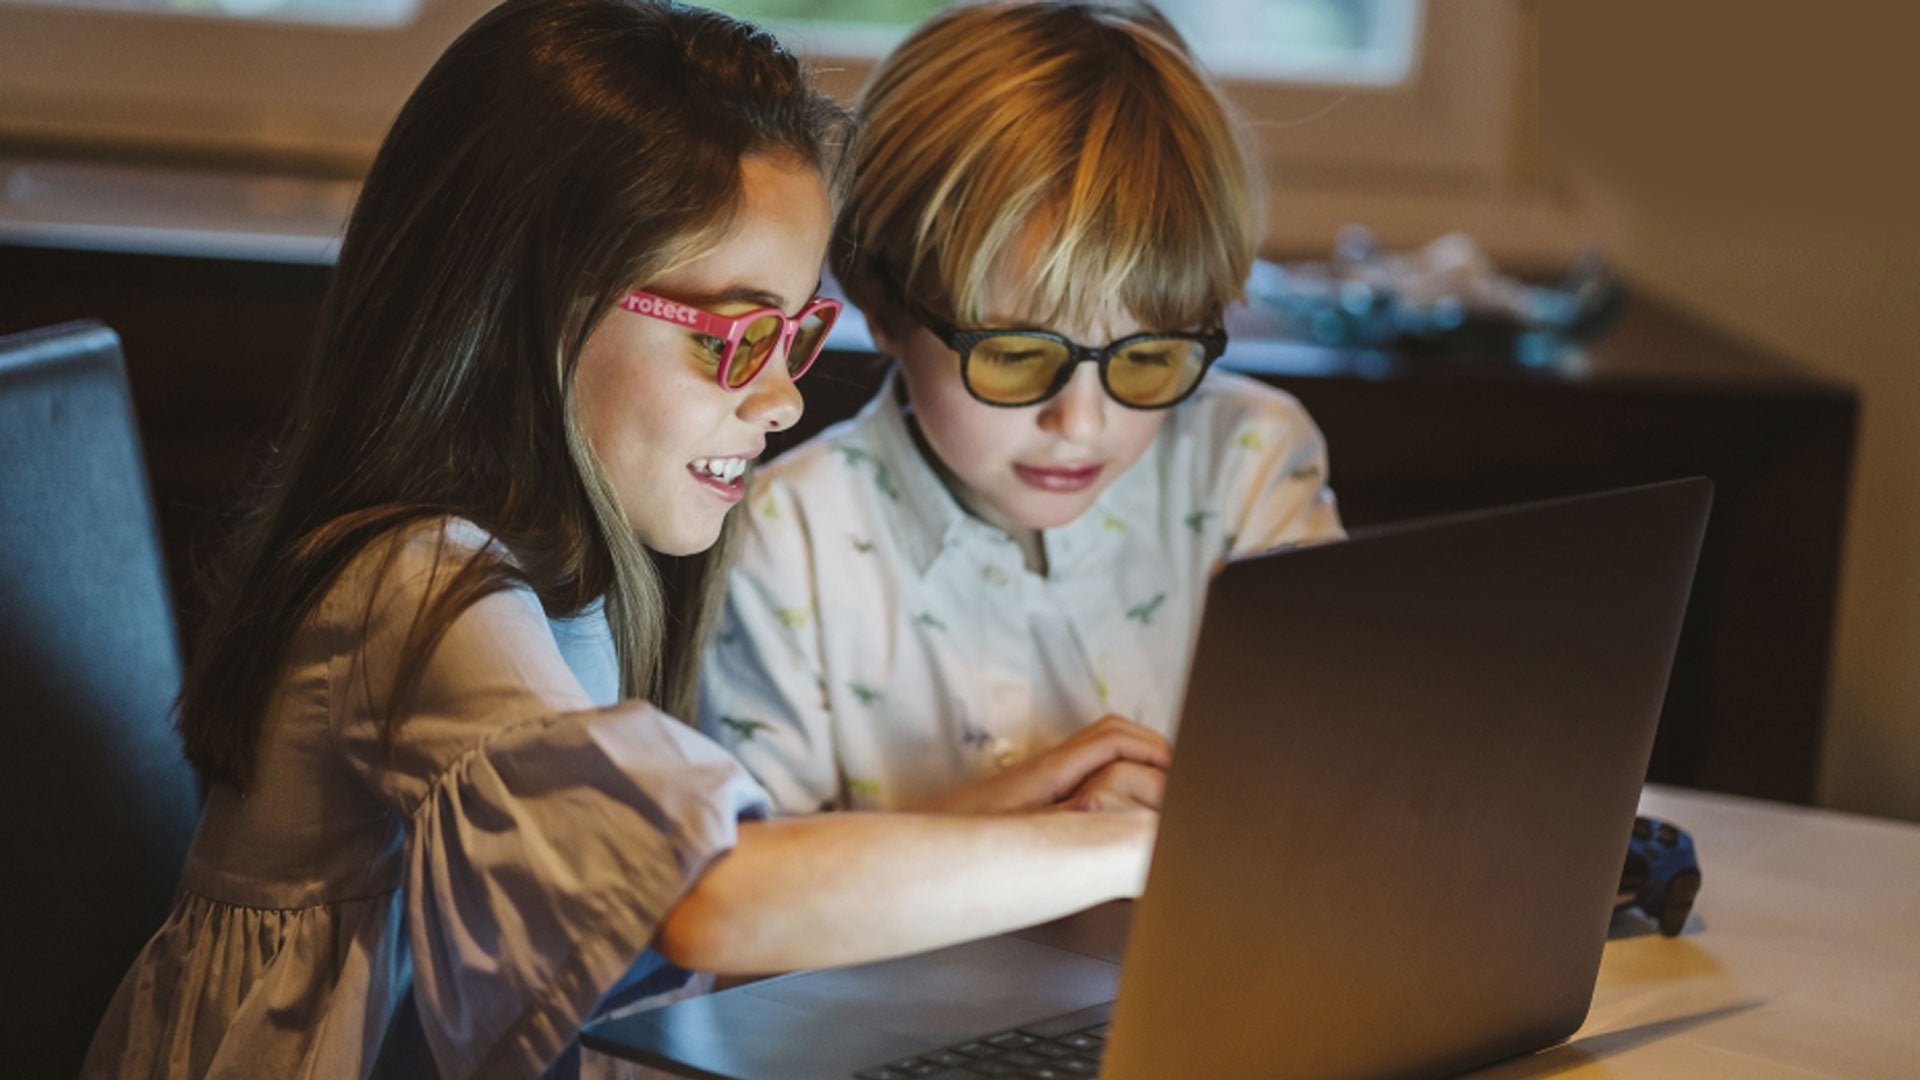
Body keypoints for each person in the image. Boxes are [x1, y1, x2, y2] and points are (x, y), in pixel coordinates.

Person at [81, 2, 1154, 1076]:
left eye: (796, 334)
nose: (784, 400)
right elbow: (700, 905)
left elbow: (643, 927)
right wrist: (1121, 849)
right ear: (532, 309)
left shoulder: (564, 577)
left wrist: (1001, 816)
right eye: (737, 338)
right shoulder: (417, 586)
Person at [699, 0, 1345, 816]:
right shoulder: (787, 550)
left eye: (1147, 359)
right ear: (887, 306)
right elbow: (754, 902)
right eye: (1015, 357)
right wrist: (1025, 833)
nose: (1080, 423)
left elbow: (1326, 787)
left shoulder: (1248, 463)